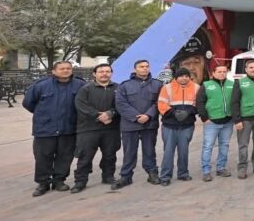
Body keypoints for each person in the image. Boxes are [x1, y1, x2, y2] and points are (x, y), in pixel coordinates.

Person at [23, 61, 87, 197]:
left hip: (69, 128)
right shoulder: (41, 85)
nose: (65, 70)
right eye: (62, 68)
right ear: (54, 71)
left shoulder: (80, 85)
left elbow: (85, 103)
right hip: (45, 128)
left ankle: (59, 180)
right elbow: (28, 103)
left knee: (65, 156)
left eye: (68, 68)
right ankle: (43, 183)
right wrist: (44, 115)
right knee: (42, 157)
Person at [112, 60, 164, 189]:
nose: (144, 69)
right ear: (135, 69)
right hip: (130, 124)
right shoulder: (125, 85)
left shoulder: (158, 84)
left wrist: (148, 115)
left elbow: (160, 102)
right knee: (129, 152)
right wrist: (136, 117)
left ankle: (152, 173)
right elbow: (121, 104)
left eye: (147, 66)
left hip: (149, 124)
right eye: (141, 67)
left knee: (149, 150)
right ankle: (126, 176)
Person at [71, 63, 121, 193]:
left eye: (107, 71)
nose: (104, 74)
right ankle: (80, 181)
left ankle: (108, 176)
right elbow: (81, 106)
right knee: (85, 156)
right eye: (101, 71)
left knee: (110, 155)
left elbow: (122, 105)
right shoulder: (85, 89)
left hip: (111, 128)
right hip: (88, 129)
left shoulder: (118, 88)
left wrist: (110, 113)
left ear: (111, 73)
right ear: (94, 74)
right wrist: (99, 116)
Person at [156, 68, 199, 185]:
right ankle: (165, 176)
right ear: (176, 77)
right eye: (181, 76)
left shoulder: (196, 87)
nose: (184, 78)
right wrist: (174, 113)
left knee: (184, 151)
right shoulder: (167, 88)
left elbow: (199, 104)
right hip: (170, 125)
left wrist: (189, 112)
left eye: (186, 76)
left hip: (187, 125)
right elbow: (161, 104)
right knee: (168, 152)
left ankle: (183, 173)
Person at [230, 59, 254, 178]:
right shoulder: (240, 82)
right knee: (243, 145)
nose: (253, 69)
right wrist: (237, 120)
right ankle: (242, 168)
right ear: (246, 69)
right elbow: (235, 102)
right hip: (245, 119)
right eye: (251, 67)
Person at [196, 64, 235, 182]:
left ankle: (221, 168)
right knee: (208, 146)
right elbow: (200, 102)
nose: (222, 74)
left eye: (224, 72)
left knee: (224, 145)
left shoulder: (232, 84)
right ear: (213, 73)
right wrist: (204, 118)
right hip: (212, 122)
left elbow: (236, 101)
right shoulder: (206, 85)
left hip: (228, 121)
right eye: (219, 72)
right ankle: (206, 171)